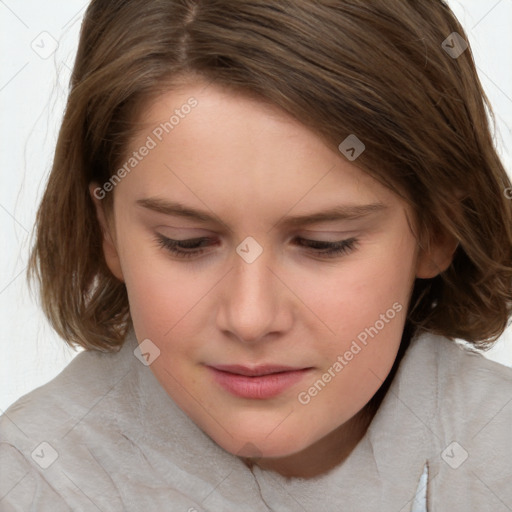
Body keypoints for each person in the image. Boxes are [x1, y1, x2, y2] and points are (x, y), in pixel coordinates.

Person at [1, 0, 511, 510]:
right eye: (186, 241)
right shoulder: (28, 483)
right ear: (108, 230)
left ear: (440, 229)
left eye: (324, 243)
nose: (250, 318)